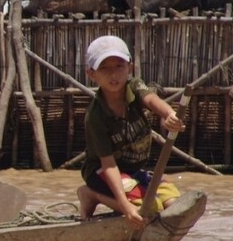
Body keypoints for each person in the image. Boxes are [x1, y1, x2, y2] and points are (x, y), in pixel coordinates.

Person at [77, 35, 185, 228]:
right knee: (147, 209)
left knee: (172, 203)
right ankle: (91, 194)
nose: (113, 75)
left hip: (132, 170)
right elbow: (108, 165)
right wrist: (126, 208)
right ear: (91, 74)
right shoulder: (95, 116)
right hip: (102, 171)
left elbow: (151, 100)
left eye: (119, 66)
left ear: (130, 67)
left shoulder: (133, 87)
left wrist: (169, 114)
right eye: (105, 68)